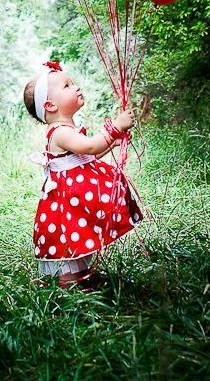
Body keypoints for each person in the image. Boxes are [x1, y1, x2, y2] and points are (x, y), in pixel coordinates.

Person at [24, 61, 143, 289]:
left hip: (74, 201)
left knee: (77, 240)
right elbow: (90, 147)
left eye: (73, 83)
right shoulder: (59, 132)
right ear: (50, 105)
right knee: (67, 242)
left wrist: (112, 143)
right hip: (65, 207)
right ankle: (67, 288)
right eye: (67, 86)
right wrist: (115, 128)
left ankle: (83, 277)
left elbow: (86, 157)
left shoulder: (67, 130)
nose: (76, 87)